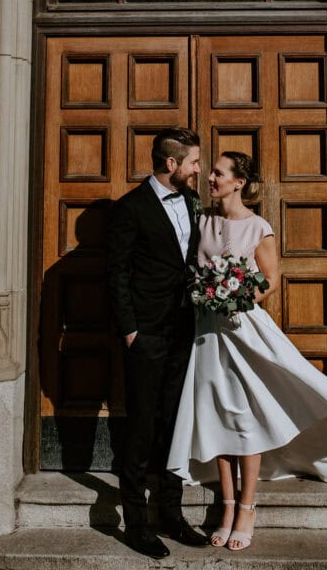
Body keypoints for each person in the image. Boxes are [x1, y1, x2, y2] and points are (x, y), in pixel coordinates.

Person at [168, 151, 327, 551]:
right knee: (214, 414)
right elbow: (191, 271)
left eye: (218, 173)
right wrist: (204, 291)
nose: (210, 178)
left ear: (238, 182)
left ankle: (247, 507)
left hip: (243, 330)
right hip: (206, 333)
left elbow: (269, 282)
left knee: (245, 418)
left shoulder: (259, 227)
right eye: (211, 172)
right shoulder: (201, 219)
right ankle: (225, 505)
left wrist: (236, 294)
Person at [107, 127, 209, 558]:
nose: (199, 169)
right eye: (194, 162)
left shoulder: (191, 201)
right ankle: (135, 523)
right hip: (146, 335)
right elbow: (116, 274)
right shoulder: (130, 209)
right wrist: (131, 331)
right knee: (142, 426)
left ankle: (171, 513)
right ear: (172, 164)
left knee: (175, 423)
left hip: (185, 330)